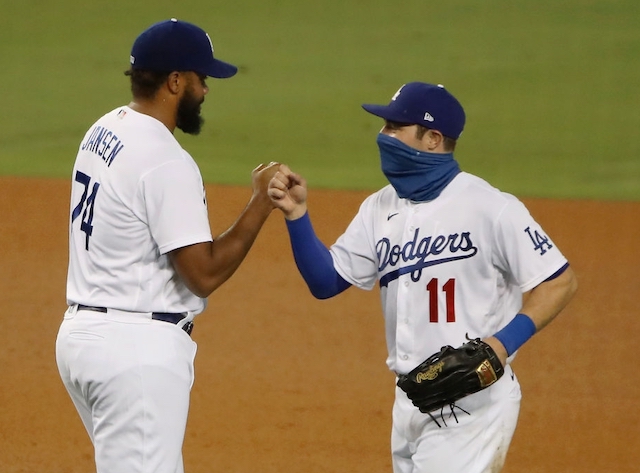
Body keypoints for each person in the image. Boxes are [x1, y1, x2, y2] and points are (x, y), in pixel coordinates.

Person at [267, 82, 578, 473]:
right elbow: (326, 281)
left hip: (473, 401)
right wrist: (297, 217)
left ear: (432, 139)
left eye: (395, 126)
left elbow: (559, 281)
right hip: (410, 399)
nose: (383, 136)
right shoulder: (380, 206)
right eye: (384, 126)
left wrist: (501, 345)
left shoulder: (491, 208)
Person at [55, 18, 279, 473]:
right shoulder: (165, 160)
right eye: (202, 79)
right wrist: (261, 202)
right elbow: (203, 273)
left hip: (83, 338)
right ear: (176, 81)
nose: (206, 90)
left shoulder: (104, 128)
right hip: (133, 352)